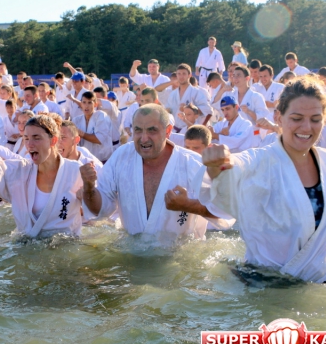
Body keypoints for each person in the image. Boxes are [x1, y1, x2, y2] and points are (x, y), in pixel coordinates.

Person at [199, 76, 326, 283]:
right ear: (279, 117)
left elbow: (312, 209)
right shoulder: (259, 161)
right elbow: (233, 168)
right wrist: (216, 165)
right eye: (297, 118)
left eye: (315, 119)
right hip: (273, 284)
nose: (307, 127)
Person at [81, 104, 228, 239]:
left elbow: (225, 212)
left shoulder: (193, 163)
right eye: (138, 130)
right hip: (132, 252)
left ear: (168, 131)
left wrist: (188, 205)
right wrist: (89, 188)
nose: (144, 138)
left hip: (181, 255)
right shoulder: (121, 157)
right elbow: (100, 211)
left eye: (152, 130)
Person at [0, 115, 84, 237]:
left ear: (53, 140)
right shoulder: (20, 170)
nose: (29, 144)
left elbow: (95, 211)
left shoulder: (75, 171)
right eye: (26, 138)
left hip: (65, 244)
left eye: (36, 138)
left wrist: (88, 191)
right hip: (26, 243)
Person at [212, 65, 270, 147]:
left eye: (238, 75)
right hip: (232, 134)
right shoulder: (230, 94)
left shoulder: (256, 96)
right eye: (234, 76)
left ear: (247, 78)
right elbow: (215, 104)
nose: (235, 78)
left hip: (251, 136)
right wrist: (222, 90)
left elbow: (264, 119)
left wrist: (249, 112)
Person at [72, 91, 113, 163]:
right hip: (84, 161)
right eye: (84, 102)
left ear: (95, 104)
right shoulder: (76, 120)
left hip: (103, 161)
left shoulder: (101, 116)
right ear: (81, 104)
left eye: (89, 102)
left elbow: (99, 139)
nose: (86, 106)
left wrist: (82, 134)